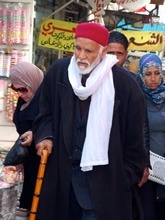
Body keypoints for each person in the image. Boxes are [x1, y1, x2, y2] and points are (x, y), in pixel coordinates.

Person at [33, 22, 147, 220]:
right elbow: (44, 114)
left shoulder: (125, 86)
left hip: (103, 191)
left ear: (103, 53)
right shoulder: (59, 73)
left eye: (88, 51)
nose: (81, 56)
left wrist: (121, 178)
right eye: (77, 48)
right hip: (62, 183)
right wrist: (46, 136)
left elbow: (135, 144)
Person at [9, 62, 44, 217]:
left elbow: (55, 125)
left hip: (43, 161)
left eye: (23, 89)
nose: (20, 93)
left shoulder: (46, 99)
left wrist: (34, 133)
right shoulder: (23, 99)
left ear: (32, 81)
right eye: (16, 89)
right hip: (29, 160)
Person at [138, 53, 165, 220]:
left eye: (157, 73)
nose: (153, 79)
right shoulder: (136, 97)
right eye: (148, 74)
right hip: (145, 167)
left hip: (164, 167)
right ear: (141, 75)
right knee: (147, 212)